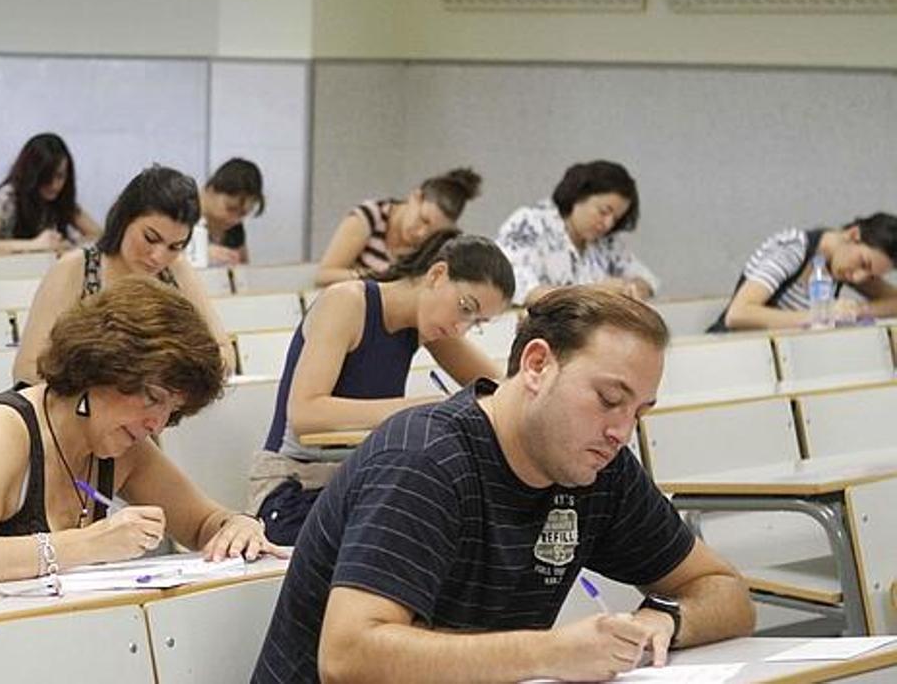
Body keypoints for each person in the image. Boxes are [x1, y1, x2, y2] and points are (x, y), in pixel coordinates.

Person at [252, 286, 756, 683]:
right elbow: (348, 657)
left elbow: (725, 591)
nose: (621, 431)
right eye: (607, 399)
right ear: (537, 365)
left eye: (639, 412)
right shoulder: (424, 458)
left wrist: (664, 620)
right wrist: (550, 653)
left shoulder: (602, 467)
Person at [0, 278, 285, 594]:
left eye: (172, 411)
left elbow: (203, 524)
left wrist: (239, 527)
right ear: (101, 367)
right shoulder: (4, 429)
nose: (157, 425)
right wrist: (89, 544)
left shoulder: (123, 446)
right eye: (151, 398)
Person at [251, 230, 514, 544]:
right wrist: (419, 408)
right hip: (294, 488)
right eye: (466, 307)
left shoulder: (432, 327)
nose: (463, 327)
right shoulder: (347, 302)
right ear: (437, 274)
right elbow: (305, 412)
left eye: (477, 323)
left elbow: (500, 391)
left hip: (359, 484)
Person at [13, 165, 235, 384]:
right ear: (125, 218)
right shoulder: (75, 269)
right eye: (150, 238)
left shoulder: (176, 270)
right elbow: (27, 370)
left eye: (175, 246)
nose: (158, 257)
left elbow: (223, 353)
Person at [497, 160, 655, 305]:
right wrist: (591, 292)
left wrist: (632, 289)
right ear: (578, 197)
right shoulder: (531, 222)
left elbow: (646, 279)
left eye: (616, 219)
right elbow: (515, 285)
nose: (608, 224)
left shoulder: (606, 242)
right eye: (604, 211)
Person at [712, 212, 897, 332]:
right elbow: (738, 314)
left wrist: (857, 311)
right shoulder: (794, 247)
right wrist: (821, 315)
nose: (859, 277)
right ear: (853, 235)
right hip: (730, 354)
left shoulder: (843, 266)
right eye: (863, 263)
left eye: (871, 276)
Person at [315, 167, 481, 287]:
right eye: (423, 220)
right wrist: (381, 277)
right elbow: (324, 275)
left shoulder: (436, 244)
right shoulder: (370, 216)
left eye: (433, 232)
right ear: (416, 197)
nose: (422, 233)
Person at [0, 133, 100, 256]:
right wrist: (34, 245)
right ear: (32, 176)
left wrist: (70, 244)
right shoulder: (8, 198)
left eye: (60, 176)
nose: (54, 185)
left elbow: (99, 236)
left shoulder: (61, 198)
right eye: (46, 178)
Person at [199, 157, 265, 266]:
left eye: (243, 214)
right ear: (210, 190)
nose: (234, 220)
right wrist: (200, 255)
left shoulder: (234, 227)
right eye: (230, 208)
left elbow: (244, 271)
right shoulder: (178, 213)